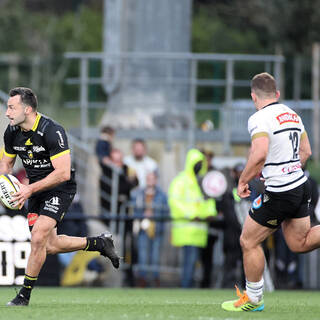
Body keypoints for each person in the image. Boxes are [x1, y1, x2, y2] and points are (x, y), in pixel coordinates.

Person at [2, 87, 120, 306]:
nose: (7, 113)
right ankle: (99, 243)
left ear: (27, 109)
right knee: (49, 246)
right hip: (35, 191)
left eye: (12, 107)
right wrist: (5, 187)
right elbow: (6, 164)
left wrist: (28, 189)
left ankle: (23, 296)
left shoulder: (51, 130)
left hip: (60, 188)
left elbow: (63, 173)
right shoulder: (11, 132)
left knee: (37, 237)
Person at [222, 72, 315, 312]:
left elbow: (260, 153)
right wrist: (287, 167)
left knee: (248, 240)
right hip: (300, 184)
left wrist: (243, 180)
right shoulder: (292, 114)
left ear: (254, 97)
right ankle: (254, 298)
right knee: (299, 243)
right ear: (277, 94)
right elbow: (306, 152)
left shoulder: (259, 118)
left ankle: (254, 299)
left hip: (281, 190)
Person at [168, 149, 217, 288]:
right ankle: (186, 287)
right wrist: (192, 215)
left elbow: (208, 201)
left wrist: (210, 213)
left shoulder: (202, 182)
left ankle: (190, 287)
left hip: (199, 232)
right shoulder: (181, 181)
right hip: (186, 231)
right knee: (189, 263)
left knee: (195, 263)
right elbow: (174, 202)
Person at [131, 171, 168, 287]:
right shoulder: (138, 194)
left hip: (157, 228)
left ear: (156, 180)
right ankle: (143, 279)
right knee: (143, 255)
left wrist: (154, 214)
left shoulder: (162, 195)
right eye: (148, 179)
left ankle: (155, 279)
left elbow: (166, 212)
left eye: (152, 179)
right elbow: (134, 210)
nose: (150, 181)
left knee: (155, 256)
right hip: (143, 228)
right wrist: (143, 214)